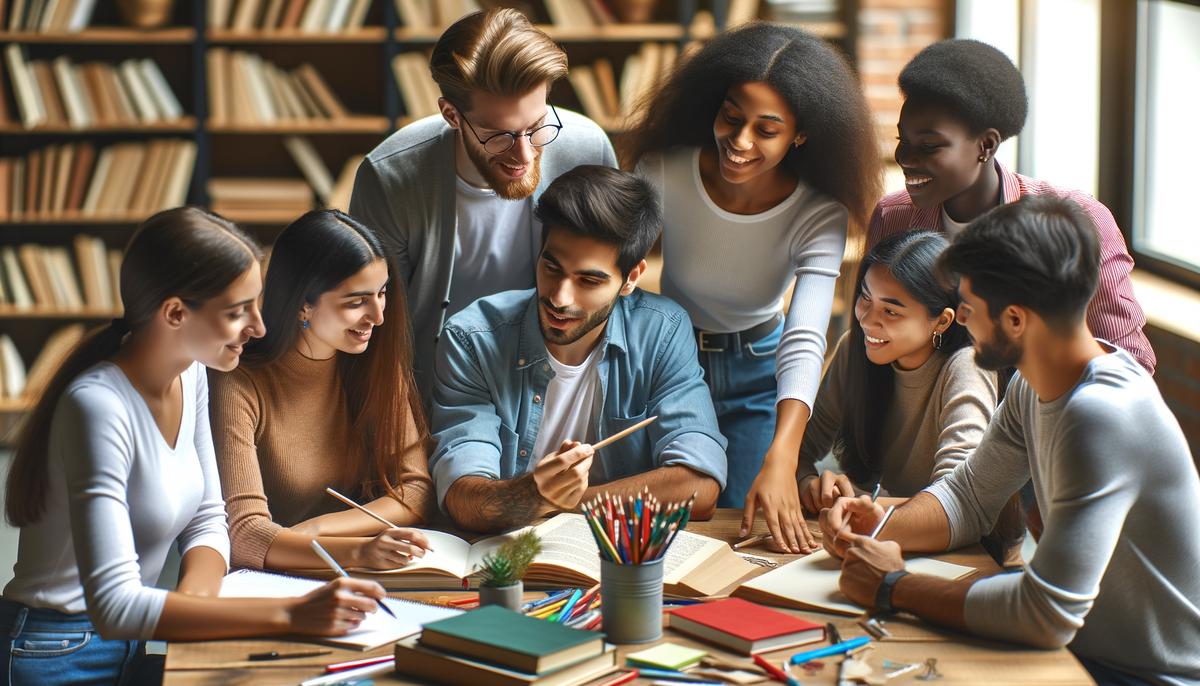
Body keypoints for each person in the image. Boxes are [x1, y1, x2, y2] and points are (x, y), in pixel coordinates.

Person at [1, 208, 392, 686]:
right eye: (236, 312)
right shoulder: (98, 406)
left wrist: (200, 608)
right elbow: (115, 606)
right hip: (54, 650)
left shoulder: (193, 372)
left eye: (256, 304)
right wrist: (290, 613)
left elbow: (209, 518)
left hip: (135, 638)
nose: (260, 328)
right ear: (175, 313)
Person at [823, 196, 1200, 686]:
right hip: (1083, 654)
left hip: (1143, 676)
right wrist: (883, 525)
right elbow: (969, 497)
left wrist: (895, 586)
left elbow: (1046, 615)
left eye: (970, 307)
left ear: (1016, 320)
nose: (959, 320)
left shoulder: (1099, 417)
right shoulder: (1034, 382)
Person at [622, 22, 883, 548]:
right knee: (651, 529)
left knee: (739, 531)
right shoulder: (663, 172)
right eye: (731, 117)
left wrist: (784, 456)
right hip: (666, 364)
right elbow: (609, 271)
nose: (739, 142)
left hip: (758, 374)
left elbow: (806, 335)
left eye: (766, 130)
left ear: (801, 134)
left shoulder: (818, 212)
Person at [429, 166, 727, 533]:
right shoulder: (472, 338)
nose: (559, 297)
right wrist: (537, 494)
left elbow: (698, 486)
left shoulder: (661, 331)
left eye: (588, 280)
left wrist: (553, 502)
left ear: (631, 277)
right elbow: (463, 499)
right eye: (552, 267)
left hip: (612, 555)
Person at [349, 8, 618, 402]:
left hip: (557, 388)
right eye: (498, 135)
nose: (523, 154)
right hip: (431, 395)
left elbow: (611, 286)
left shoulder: (587, 149)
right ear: (451, 115)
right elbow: (378, 332)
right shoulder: (389, 177)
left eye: (537, 126)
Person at [870, 38, 1154, 373]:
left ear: (986, 145)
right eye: (902, 140)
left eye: (929, 145)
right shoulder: (893, 218)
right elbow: (871, 338)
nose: (904, 157)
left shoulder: (1076, 222)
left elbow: (1128, 366)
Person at [212, 209, 435, 573]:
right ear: (304, 303)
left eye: (381, 294)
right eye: (356, 301)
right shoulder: (237, 381)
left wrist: (318, 529)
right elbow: (246, 535)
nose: (378, 317)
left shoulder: (375, 363)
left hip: (366, 571)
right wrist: (356, 551)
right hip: (279, 579)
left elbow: (416, 491)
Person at [794, 230, 996, 519]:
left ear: (942, 321)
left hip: (950, 547)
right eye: (865, 297)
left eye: (890, 311)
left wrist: (858, 503)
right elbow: (797, 452)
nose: (866, 319)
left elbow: (956, 496)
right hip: (880, 531)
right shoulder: (854, 349)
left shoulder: (967, 366)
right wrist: (810, 485)